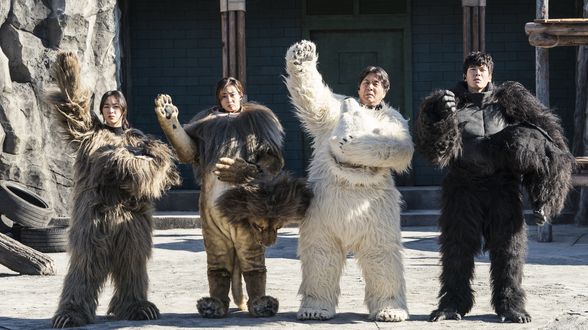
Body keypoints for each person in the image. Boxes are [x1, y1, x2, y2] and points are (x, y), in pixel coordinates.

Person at [415, 51, 574, 323]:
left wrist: (543, 195)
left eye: (483, 70)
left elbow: (546, 139)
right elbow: (429, 146)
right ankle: (453, 302)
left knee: (509, 249)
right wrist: (435, 114)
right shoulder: (450, 103)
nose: (478, 73)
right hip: (463, 186)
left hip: (503, 185)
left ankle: (509, 304)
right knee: (457, 248)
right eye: (472, 69)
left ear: (490, 75)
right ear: (464, 75)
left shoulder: (510, 104)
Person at [284, 40, 413, 322]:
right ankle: (317, 301)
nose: (371, 86)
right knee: (319, 253)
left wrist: (354, 147)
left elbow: (401, 152)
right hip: (326, 202)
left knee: (382, 256)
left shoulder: (393, 119)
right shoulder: (337, 110)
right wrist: (302, 69)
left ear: (384, 91)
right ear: (358, 88)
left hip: (373, 207)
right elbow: (312, 101)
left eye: (377, 83)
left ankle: (388, 301)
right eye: (366, 82)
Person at [48, 52, 180, 328]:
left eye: (115, 106)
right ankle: (74, 309)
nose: (110, 110)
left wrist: (126, 163)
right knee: (85, 267)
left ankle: (131, 302)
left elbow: (160, 172)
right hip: (95, 215)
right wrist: (70, 78)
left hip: (132, 218)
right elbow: (73, 112)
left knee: (132, 267)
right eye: (106, 106)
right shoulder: (91, 136)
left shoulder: (140, 140)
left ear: (123, 110)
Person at [154, 77, 284, 318]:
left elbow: (274, 161)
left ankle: (257, 298)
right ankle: (218, 300)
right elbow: (187, 153)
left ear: (242, 95)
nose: (229, 99)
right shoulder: (206, 122)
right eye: (224, 95)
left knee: (252, 255)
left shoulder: (258, 120)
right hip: (212, 206)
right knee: (217, 257)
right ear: (218, 98)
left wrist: (250, 170)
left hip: (246, 205)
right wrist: (171, 125)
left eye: (233, 94)